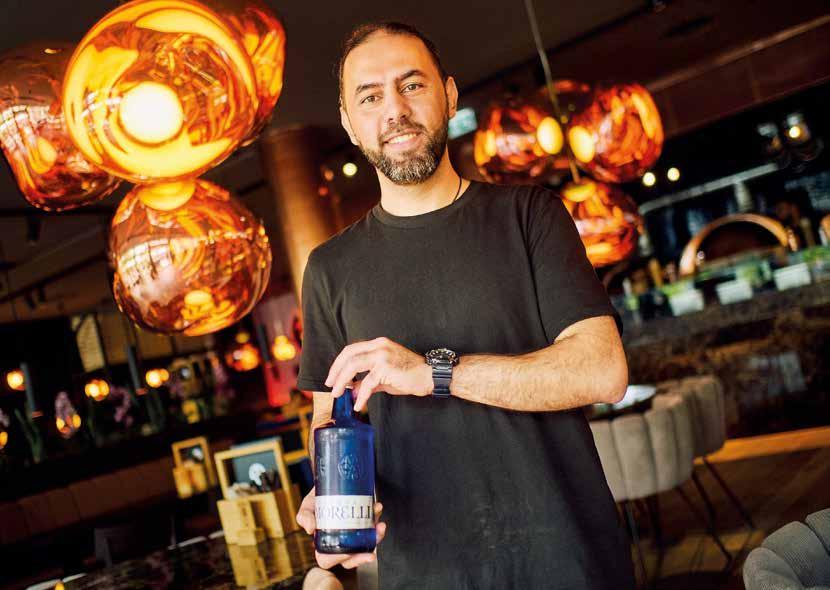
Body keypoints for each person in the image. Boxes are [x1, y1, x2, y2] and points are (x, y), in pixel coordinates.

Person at [295, 22, 636, 590]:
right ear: (350, 124)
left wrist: (433, 373)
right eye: (370, 97)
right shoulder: (330, 269)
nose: (395, 110)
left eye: (412, 85)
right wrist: (334, 491)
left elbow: (603, 371)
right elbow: (329, 417)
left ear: (450, 96)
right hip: (427, 572)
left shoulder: (530, 216)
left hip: (567, 558)